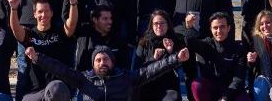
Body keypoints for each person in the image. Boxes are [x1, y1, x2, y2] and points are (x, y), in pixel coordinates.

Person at [20, 39, 187, 101]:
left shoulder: (126, 77)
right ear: (93, 64)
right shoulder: (84, 78)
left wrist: (176, 58)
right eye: (98, 60)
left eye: (106, 59)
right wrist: (37, 58)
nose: (102, 62)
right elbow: (61, 70)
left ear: (112, 62)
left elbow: (153, 69)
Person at [7, 0, 72, 101]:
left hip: (57, 91)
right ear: (35, 14)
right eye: (40, 11)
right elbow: (16, 29)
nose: (43, 15)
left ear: (51, 13)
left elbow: (71, 25)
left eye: (46, 11)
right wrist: (13, 9)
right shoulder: (29, 34)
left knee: (56, 90)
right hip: (35, 92)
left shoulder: (59, 33)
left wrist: (73, 3)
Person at [189, 12, 250, 101]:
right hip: (212, 89)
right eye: (215, 28)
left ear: (228, 28)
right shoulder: (207, 44)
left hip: (232, 90)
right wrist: (189, 27)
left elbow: (239, 78)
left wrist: (226, 97)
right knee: (197, 85)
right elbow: (191, 43)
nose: (219, 31)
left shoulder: (238, 48)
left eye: (222, 27)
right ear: (210, 29)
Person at [132, 11, 185, 101]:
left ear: (168, 25)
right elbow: (136, 69)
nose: (159, 26)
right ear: (151, 26)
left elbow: (183, 67)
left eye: (162, 23)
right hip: (147, 85)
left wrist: (170, 52)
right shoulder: (143, 42)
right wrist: (153, 59)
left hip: (168, 85)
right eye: (156, 24)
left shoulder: (177, 40)